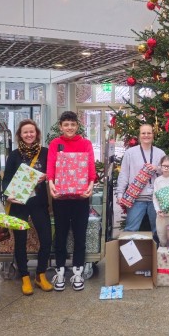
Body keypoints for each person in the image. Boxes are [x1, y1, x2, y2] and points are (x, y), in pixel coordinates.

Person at [2, 119, 53, 296]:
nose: (29, 135)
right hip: (19, 204)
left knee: (46, 238)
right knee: (21, 241)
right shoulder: (14, 155)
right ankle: (24, 276)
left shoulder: (45, 153)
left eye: (32, 132)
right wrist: (9, 195)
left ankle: (40, 274)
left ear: (37, 133)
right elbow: (6, 179)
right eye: (25, 132)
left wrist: (46, 176)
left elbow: (53, 173)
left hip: (39, 203)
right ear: (20, 135)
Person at [47, 111, 95, 292]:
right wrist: (51, 183)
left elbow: (90, 165)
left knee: (80, 236)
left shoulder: (85, 144)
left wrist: (90, 184)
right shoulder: (55, 143)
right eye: (66, 125)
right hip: (60, 198)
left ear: (77, 126)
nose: (69, 128)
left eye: (72, 124)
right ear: (61, 126)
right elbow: (51, 164)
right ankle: (60, 271)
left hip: (81, 198)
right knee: (60, 235)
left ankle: (77, 271)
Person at [117, 124, 165, 238]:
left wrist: (157, 168)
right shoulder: (130, 153)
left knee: (158, 231)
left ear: (153, 135)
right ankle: (129, 256)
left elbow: (167, 173)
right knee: (130, 230)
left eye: (149, 133)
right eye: (143, 133)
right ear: (139, 135)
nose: (146, 135)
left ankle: (155, 255)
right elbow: (124, 174)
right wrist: (120, 194)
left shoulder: (160, 153)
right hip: (136, 199)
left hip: (156, 199)